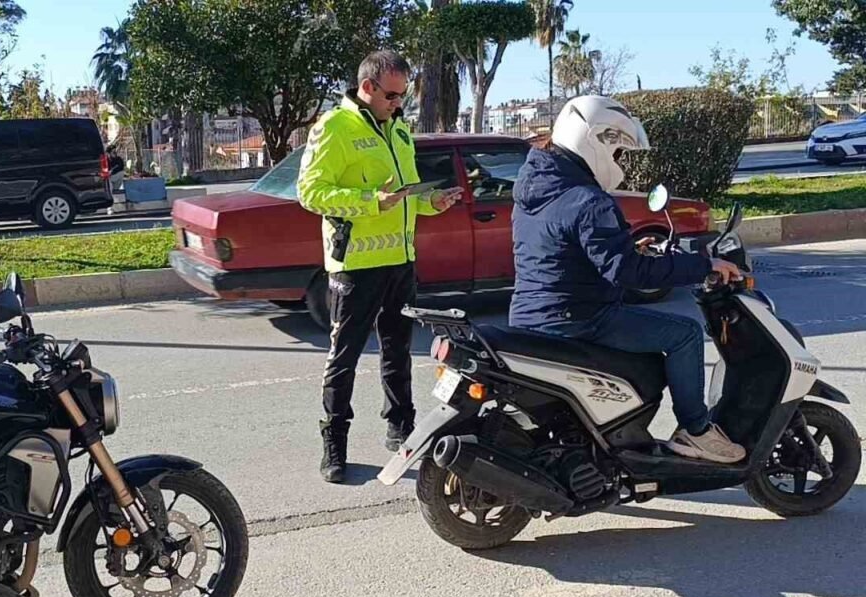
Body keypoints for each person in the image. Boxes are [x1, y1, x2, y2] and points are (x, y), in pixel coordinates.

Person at [509, 95, 746, 464]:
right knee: (684, 334)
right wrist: (703, 266)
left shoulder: (535, 190)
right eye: (618, 153)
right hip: (578, 318)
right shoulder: (588, 201)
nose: (619, 162)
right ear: (597, 141)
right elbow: (629, 273)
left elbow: (561, 252)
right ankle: (696, 431)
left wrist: (628, 247)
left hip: (529, 316)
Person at [297, 50, 463, 484]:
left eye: (403, 96)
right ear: (367, 87)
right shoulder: (334, 127)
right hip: (356, 265)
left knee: (398, 351)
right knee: (344, 358)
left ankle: (401, 427)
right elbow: (310, 193)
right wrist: (371, 202)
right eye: (391, 95)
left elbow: (405, 196)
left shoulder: (399, 129)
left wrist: (432, 201)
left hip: (401, 262)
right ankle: (334, 443)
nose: (398, 103)